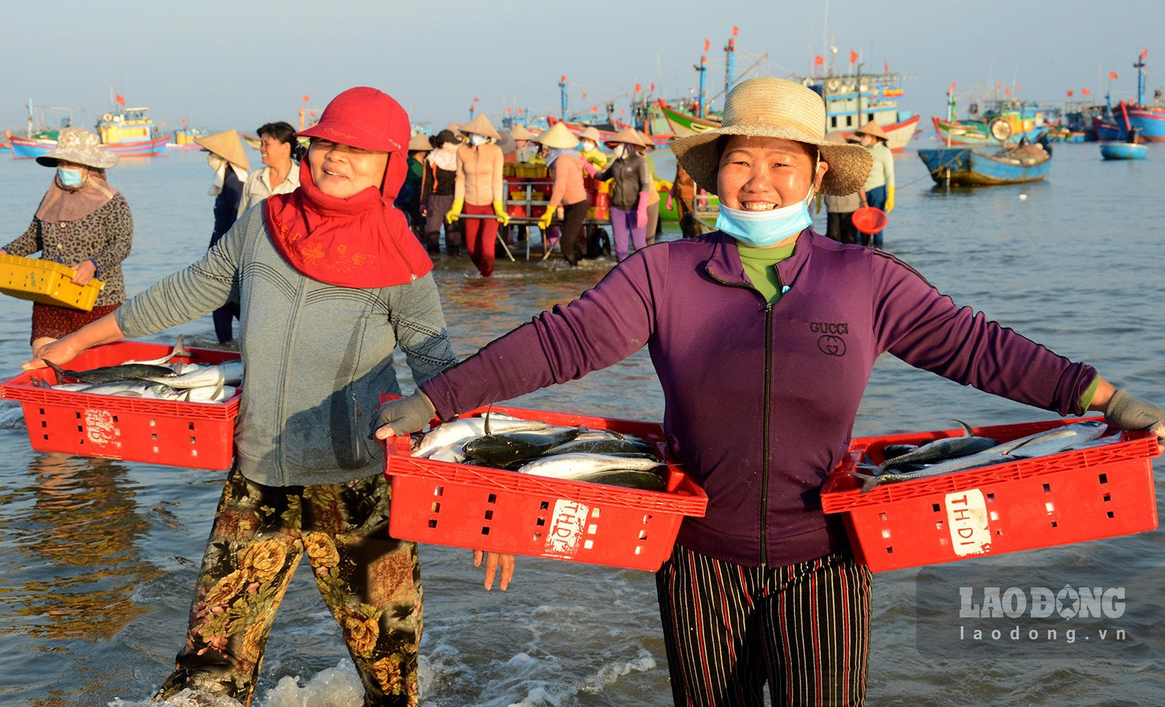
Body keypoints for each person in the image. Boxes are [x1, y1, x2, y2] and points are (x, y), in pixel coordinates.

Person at [372, 77, 1165, 705]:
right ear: (716, 172)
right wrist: (436, 400)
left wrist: (1102, 396)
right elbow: (558, 342)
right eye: (741, 162)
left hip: (824, 561)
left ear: (818, 174)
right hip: (698, 560)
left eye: (781, 161)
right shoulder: (664, 273)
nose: (758, 181)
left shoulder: (867, 280)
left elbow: (979, 348)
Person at [24, 87, 456, 705]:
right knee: (209, 666)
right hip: (257, 482)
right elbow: (185, 292)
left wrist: (474, 505)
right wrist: (76, 345)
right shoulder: (263, 225)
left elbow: (441, 371)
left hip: (358, 489)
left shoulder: (404, 261)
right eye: (329, 142)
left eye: (359, 150)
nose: (337, 158)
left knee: (389, 675)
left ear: (389, 165)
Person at [0, 127, 131, 353]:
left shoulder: (113, 202)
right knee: (45, 358)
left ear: (89, 167)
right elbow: (34, 237)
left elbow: (122, 245)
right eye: (61, 163)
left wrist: (93, 265)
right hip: (50, 297)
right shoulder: (51, 198)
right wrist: (6, 252)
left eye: (71, 164)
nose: (64, 169)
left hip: (98, 300)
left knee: (94, 370)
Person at [195, 129, 251, 344]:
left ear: (223, 159)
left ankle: (226, 346)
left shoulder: (232, 182)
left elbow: (238, 220)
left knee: (222, 303)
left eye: (212, 154)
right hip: (220, 250)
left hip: (228, 254)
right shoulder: (226, 179)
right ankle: (229, 344)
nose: (209, 159)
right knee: (228, 303)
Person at [445, 114, 510, 277]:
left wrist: (499, 208)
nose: (476, 137)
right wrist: (456, 207)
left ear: (488, 136)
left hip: (490, 206)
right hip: (469, 204)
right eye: (473, 133)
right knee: (472, 249)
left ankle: (487, 284)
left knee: (487, 248)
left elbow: (497, 181)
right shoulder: (462, 150)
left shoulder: (496, 151)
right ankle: (480, 283)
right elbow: (460, 180)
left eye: (480, 134)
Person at [592, 127, 652, 262]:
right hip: (617, 208)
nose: (615, 149)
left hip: (635, 209)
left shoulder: (640, 162)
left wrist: (642, 209)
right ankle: (623, 274)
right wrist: (586, 165)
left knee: (639, 245)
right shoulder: (616, 163)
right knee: (620, 247)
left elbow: (645, 185)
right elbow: (602, 177)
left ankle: (646, 271)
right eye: (614, 147)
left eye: (618, 146)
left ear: (627, 146)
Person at [534, 122, 589, 266]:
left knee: (566, 243)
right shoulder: (568, 157)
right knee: (572, 241)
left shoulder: (562, 160)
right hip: (572, 204)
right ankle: (580, 267)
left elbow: (559, 187)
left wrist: (550, 209)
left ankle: (573, 273)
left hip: (576, 204)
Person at [236, 121, 302, 218]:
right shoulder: (254, 178)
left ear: (286, 148)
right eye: (261, 144)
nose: (262, 149)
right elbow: (240, 220)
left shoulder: (302, 180)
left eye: (266, 144)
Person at [421, 129, 463, 255]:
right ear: (444, 144)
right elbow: (426, 183)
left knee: (454, 235)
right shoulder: (431, 159)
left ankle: (454, 265)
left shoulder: (459, 158)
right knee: (432, 234)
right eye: (451, 143)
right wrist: (422, 203)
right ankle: (435, 263)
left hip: (454, 199)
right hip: (435, 200)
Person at [853, 120, 894, 249]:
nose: (861, 138)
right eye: (861, 136)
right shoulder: (863, 151)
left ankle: (878, 250)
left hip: (878, 191)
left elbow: (890, 175)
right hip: (863, 192)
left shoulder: (884, 152)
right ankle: (861, 251)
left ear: (873, 137)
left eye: (864, 136)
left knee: (877, 225)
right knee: (861, 225)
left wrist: (891, 195)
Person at [822, 133, 865, 245]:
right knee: (833, 238)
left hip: (850, 206)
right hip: (832, 206)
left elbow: (859, 184)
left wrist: (864, 202)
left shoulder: (851, 162)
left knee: (849, 240)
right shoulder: (824, 162)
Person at [397, 132, 433, 232]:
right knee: (419, 224)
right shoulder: (418, 167)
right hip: (414, 200)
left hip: (403, 200)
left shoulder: (408, 163)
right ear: (423, 152)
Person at [638, 130, 663, 244]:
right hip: (640, 201)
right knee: (643, 237)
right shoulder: (641, 159)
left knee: (648, 237)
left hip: (650, 199)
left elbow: (651, 178)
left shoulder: (645, 160)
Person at [668, 161, 705, 239]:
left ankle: (697, 239)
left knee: (694, 221)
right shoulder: (679, 163)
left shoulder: (695, 162)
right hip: (679, 194)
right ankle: (685, 238)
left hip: (691, 195)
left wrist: (702, 195)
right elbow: (676, 179)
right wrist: (670, 196)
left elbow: (701, 178)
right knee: (682, 219)